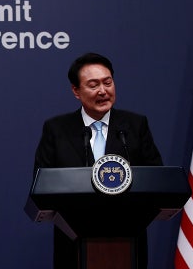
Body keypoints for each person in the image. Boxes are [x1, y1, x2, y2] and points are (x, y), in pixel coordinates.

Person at [34, 52, 162, 269]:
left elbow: (156, 177)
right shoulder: (57, 129)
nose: (103, 91)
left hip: (128, 241)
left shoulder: (135, 125)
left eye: (108, 82)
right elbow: (42, 183)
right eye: (93, 85)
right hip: (73, 245)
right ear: (76, 91)